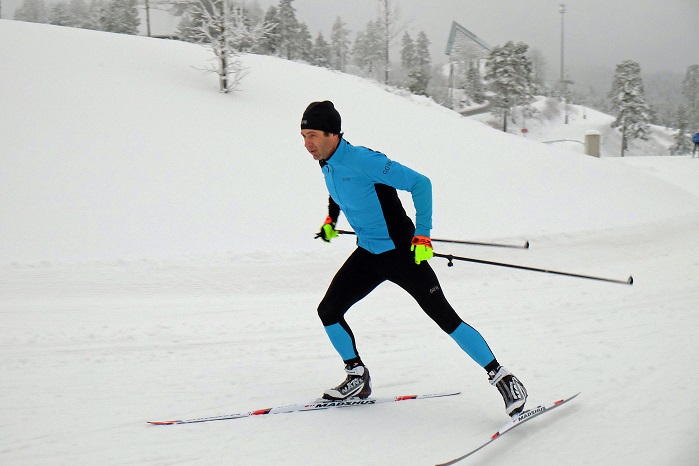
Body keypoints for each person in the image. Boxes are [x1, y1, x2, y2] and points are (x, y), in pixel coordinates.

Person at [300, 100, 528, 417]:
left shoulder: (364, 160)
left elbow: (421, 183)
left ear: (332, 134)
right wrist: (330, 220)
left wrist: (423, 234)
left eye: (312, 135)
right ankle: (357, 377)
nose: (307, 144)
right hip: (369, 253)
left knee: (445, 318)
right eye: (303, 136)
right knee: (329, 310)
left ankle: (503, 378)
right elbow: (338, 191)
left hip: (403, 253)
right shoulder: (328, 163)